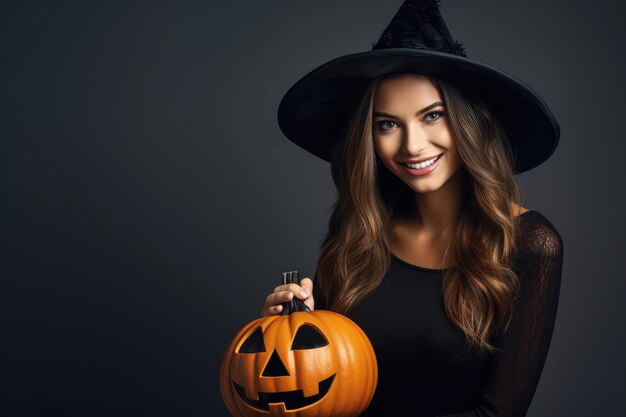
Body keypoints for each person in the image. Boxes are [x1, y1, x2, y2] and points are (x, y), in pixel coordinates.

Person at [261, 1, 563, 416]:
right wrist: (287, 331)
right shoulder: (357, 236)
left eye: (432, 116)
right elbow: (323, 391)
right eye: (388, 124)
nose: (412, 145)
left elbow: (501, 412)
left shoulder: (531, 243)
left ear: (468, 123)